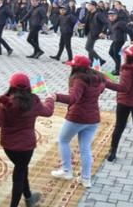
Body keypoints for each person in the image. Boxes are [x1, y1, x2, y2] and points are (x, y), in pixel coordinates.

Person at [0, 73, 54, 207]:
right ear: (29, 87)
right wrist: (50, 99)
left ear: (11, 86)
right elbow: (48, 112)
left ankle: (28, 197)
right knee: (20, 174)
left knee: (21, 169)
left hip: (9, 146)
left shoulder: (6, 103)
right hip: (27, 147)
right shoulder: (34, 102)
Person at [52, 55, 109, 188]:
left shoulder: (79, 80)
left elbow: (73, 98)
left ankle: (66, 171)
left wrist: (56, 97)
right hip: (93, 118)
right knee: (85, 148)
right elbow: (102, 88)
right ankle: (86, 179)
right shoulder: (98, 78)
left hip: (77, 117)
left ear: (76, 67)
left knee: (63, 140)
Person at [81, 0, 109, 65]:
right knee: (90, 48)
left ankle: (100, 60)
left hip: (95, 33)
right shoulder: (89, 12)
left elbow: (106, 23)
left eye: (89, 5)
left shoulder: (98, 14)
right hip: (90, 32)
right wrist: (84, 25)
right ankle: (91, 62)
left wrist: (103, 32)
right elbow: (89, 22)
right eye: (87, 5)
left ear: (93, 6)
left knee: (87, 47)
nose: (87, 7)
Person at [105, 9, 129, 75]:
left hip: (120, 40)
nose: (111, 17)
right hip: (115, 39)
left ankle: (117, 70)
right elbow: (111, 30)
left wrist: (132, 39)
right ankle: (118, 66)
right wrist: (106, 34)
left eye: (113, 16)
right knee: (111, 52)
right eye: (110, 16)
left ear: (116, 15)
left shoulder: (120, 22)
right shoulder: (112, 22)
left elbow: (128, 30)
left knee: (116, 54)